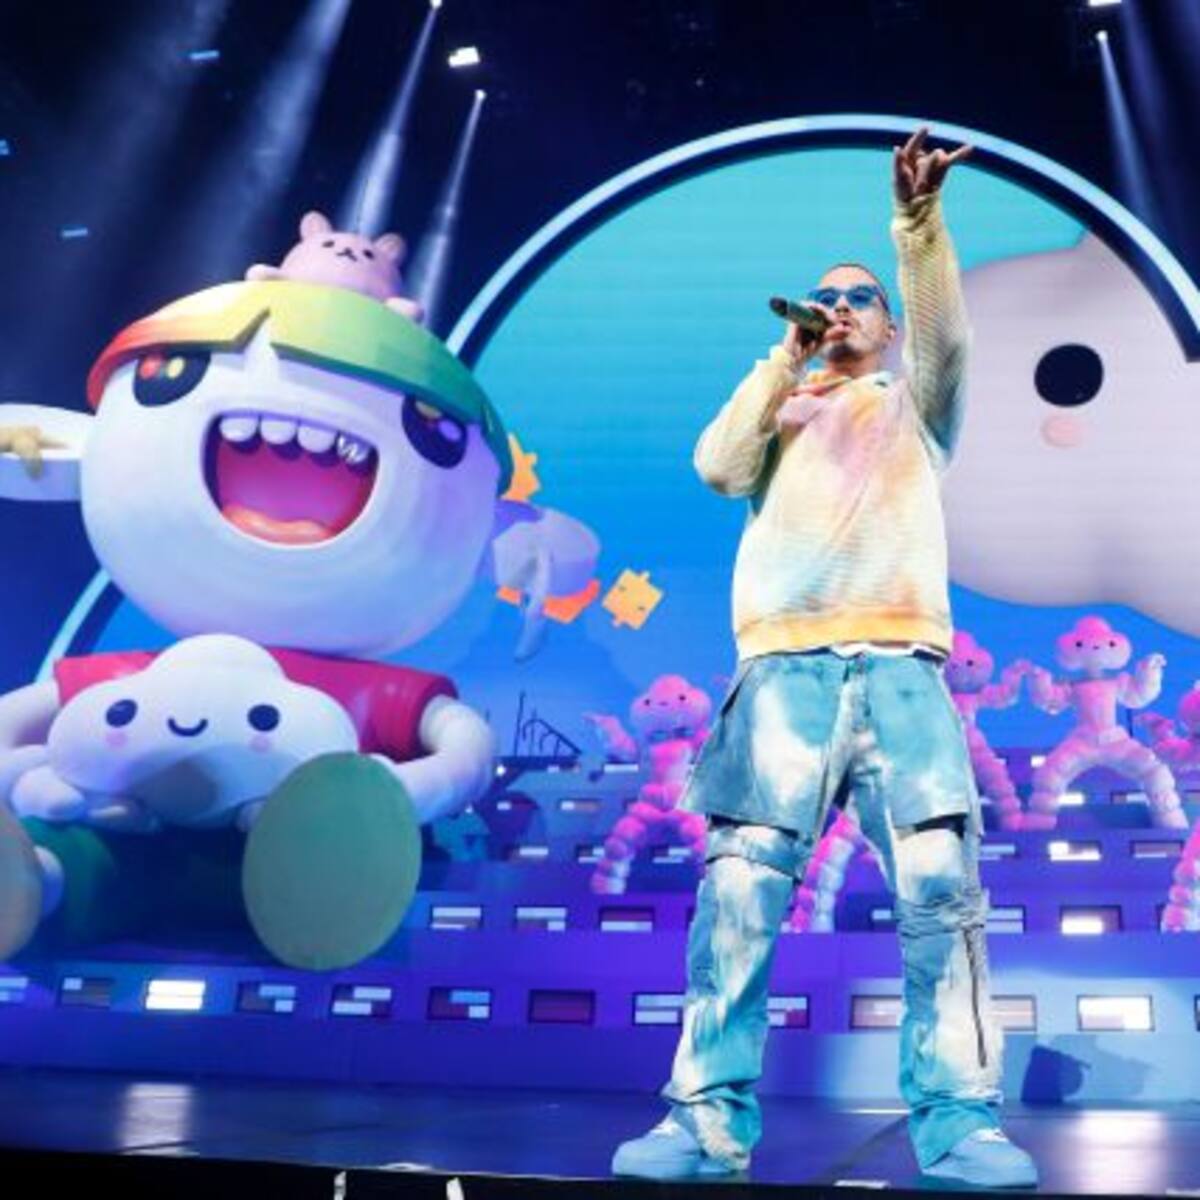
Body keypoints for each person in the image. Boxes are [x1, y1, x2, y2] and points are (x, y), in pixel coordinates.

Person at [611, 128, 1037, 1188]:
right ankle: (705, 1122)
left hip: (901, 673)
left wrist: (916, 224)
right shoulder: (783, 410)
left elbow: (949, 343)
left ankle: (961, 1123)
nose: (840, 306)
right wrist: (782, 362)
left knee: (942, 897)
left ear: (887, 325)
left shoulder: (914, 406)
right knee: (739, 897)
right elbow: (717, 467)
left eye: (860, 298)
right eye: (826, 295)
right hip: (782, 680)